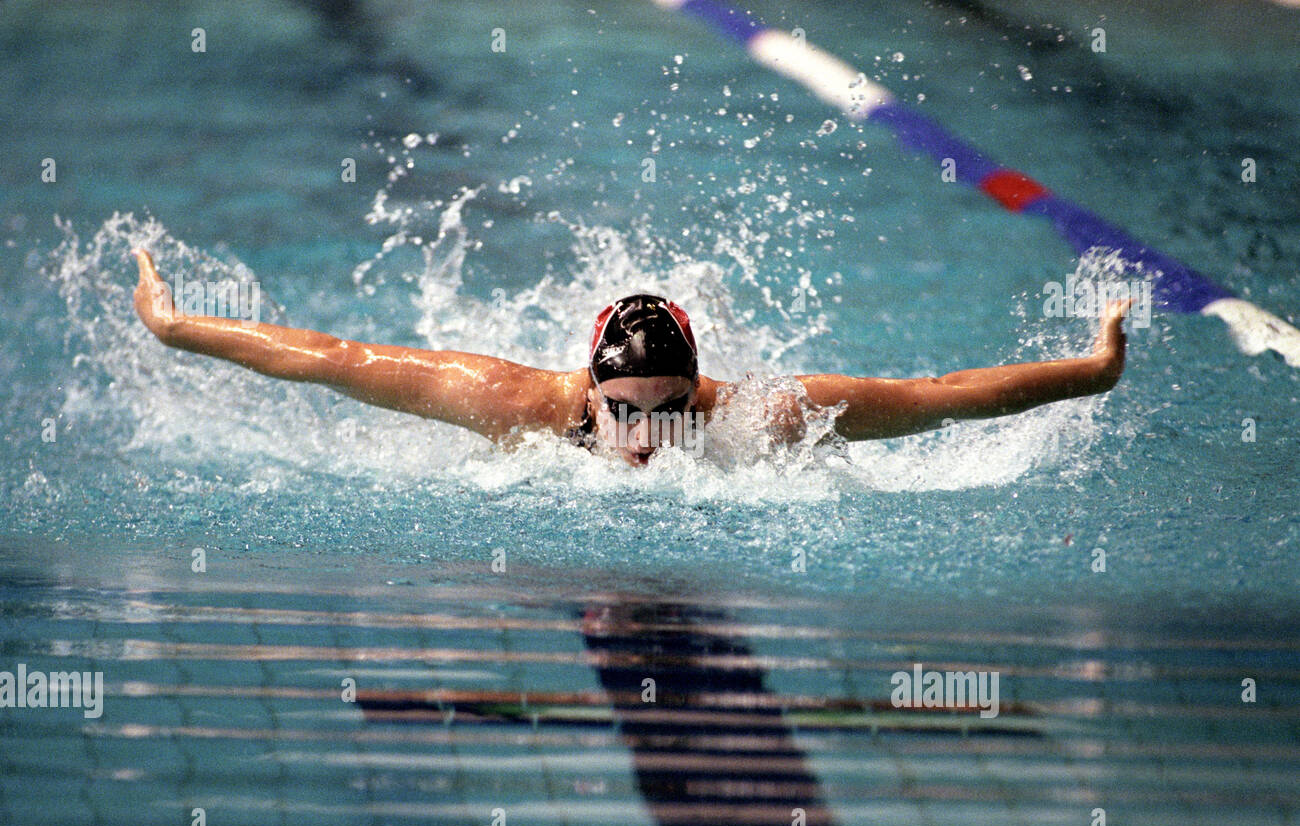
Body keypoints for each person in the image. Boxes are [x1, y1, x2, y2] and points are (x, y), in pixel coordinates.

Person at [130, 249, 1129, 466]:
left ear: (697, 386)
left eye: (668, 406)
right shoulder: (514, 403)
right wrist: (180, 326)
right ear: (592, 388)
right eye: (626, 409)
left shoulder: (754, 414)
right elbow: (336, 357)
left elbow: (931, 397)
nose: (646, 434)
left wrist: (1089, 372)